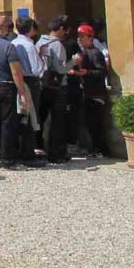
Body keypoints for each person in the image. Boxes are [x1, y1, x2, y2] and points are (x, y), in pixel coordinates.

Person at [0, 16, 34, 168]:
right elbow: (16, 72)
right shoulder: (8, 46)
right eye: (8, 27)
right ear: (3, 28)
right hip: (6, 85)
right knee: (7, 124)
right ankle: (7, 158)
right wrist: (22, 92)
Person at [36, 17, 72, 163]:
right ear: (61, 29)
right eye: (66, 30)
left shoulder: (40, 41)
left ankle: (38, 148)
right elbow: (61, 68)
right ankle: (56, 153)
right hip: (56, 87)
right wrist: (73, 62)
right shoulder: (57, 45)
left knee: (40, 119)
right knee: (58, 121)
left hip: (41, 85)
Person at [71, 23, 109, 157]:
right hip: (87, 92)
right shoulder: (83, 53)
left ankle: (100, 150)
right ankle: (93, 148)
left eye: (83, 36)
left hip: (95, 93)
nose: (80, 39)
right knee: (89, 123)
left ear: (90, 38)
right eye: (79, 36)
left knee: (96, 124)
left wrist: (86, 72)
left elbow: (102, 72)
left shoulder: (96, 53)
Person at [12, 17, 46, 164]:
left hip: (16, 82)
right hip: (30, 81)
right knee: (31, 117)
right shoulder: (29, 46)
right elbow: (37, 68)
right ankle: (28, 153)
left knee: (20, 116)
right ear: (31, 29)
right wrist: (42, 56)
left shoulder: (12, 43)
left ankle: (19, 150)